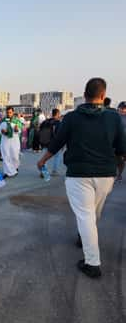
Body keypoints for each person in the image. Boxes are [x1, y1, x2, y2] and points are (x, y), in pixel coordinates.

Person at [37, 78, 126, 278]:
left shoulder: (71, 118)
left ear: (84, 96)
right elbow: (121, 149)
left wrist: (42, 161)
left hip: (78, 174)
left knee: (86, 216)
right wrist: (119, 168)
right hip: (106, 174)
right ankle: (84, 238)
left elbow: (56, 143)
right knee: (93, 213)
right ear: (103, 96)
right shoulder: (114, 118)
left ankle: (93, 263)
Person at [0, 106, 21, 178]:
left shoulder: (17, 120)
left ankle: (15, 168)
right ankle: (7, 172)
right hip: (5, 141)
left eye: (10, 112)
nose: (8, 114)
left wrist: (17, 129)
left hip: (14, 142)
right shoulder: (3, 120)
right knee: (6, 156)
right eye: (7, 112)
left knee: (15, 156)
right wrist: (2, 131)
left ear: (13, 113)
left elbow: (19, 130)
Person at [39, 108, 62, 175]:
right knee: (57, 157)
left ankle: (44, 172)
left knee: (45, 158)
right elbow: (60, 134)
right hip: (54, 143)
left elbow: (40, 130)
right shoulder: (58, 123)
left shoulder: (45, 121)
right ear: (57, 114)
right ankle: (54, 171)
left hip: (45, 142)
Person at [116, 101, 126, 181]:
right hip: (118, 142)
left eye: (125, 108)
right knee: (119, 159)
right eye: (122, 108)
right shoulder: (115, 117)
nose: (123, 110)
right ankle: (119, 174)